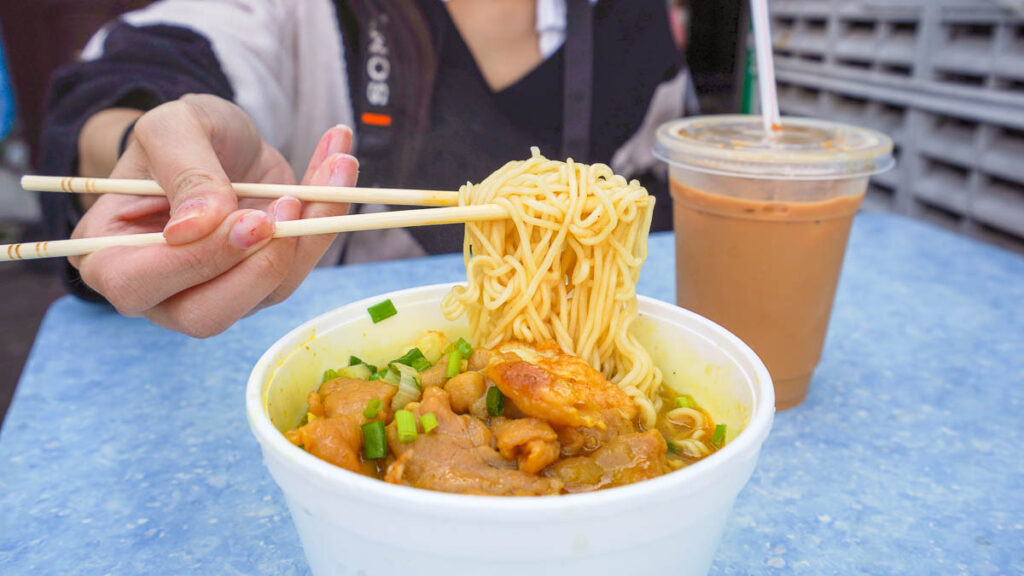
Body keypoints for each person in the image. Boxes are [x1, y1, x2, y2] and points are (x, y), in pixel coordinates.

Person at [39, 0, 697, 337]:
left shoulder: (629, 22)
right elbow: (151, 62)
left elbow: (652, 201)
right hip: (315, 357)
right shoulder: (301, 14)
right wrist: (141, 142)